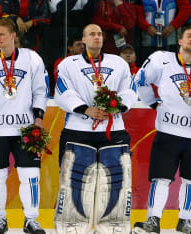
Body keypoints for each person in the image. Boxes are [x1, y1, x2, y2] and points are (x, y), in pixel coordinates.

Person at [133, 26, 191, 234]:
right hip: (168, 131)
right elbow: (140, 81)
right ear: (179, 41)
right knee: (160, 178)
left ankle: (185, 221)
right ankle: (153, 219)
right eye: (188, 36)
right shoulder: (161, 59)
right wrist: (153, 103)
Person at [54, 24, 137, 234]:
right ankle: (71, 226)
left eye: (99, 34)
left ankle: (112, 227)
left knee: (116, 179)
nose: (96, 37)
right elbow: (62, 90)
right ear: (83, 39)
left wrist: (117, 106)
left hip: (113, 129)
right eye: (91, 34)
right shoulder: (68, 64)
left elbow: (130, 88)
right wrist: (86, 109)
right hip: (78, 130)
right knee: (75, 179)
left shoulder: (118, 62)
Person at [0, 18, 49, 234]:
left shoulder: (32, 58)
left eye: (2, 34)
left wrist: (39, 121)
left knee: (30, 174)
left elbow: (41, 90)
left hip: (25, 128)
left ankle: (31, 219)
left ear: (14, 35)